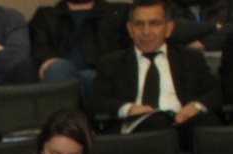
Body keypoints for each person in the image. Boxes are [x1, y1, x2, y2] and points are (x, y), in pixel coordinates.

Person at [89, 0, 220, 130]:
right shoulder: (112, 63)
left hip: (182, 124)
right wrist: (129, 109)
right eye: (139, 24)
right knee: (156, 121)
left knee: (207, 121)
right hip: (139, 129)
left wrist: (195, 106)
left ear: (169, 28)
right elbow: (97, 100)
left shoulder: (190, 58)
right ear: (130, 29)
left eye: (154, 23)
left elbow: (214, 92)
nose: (146, 31)